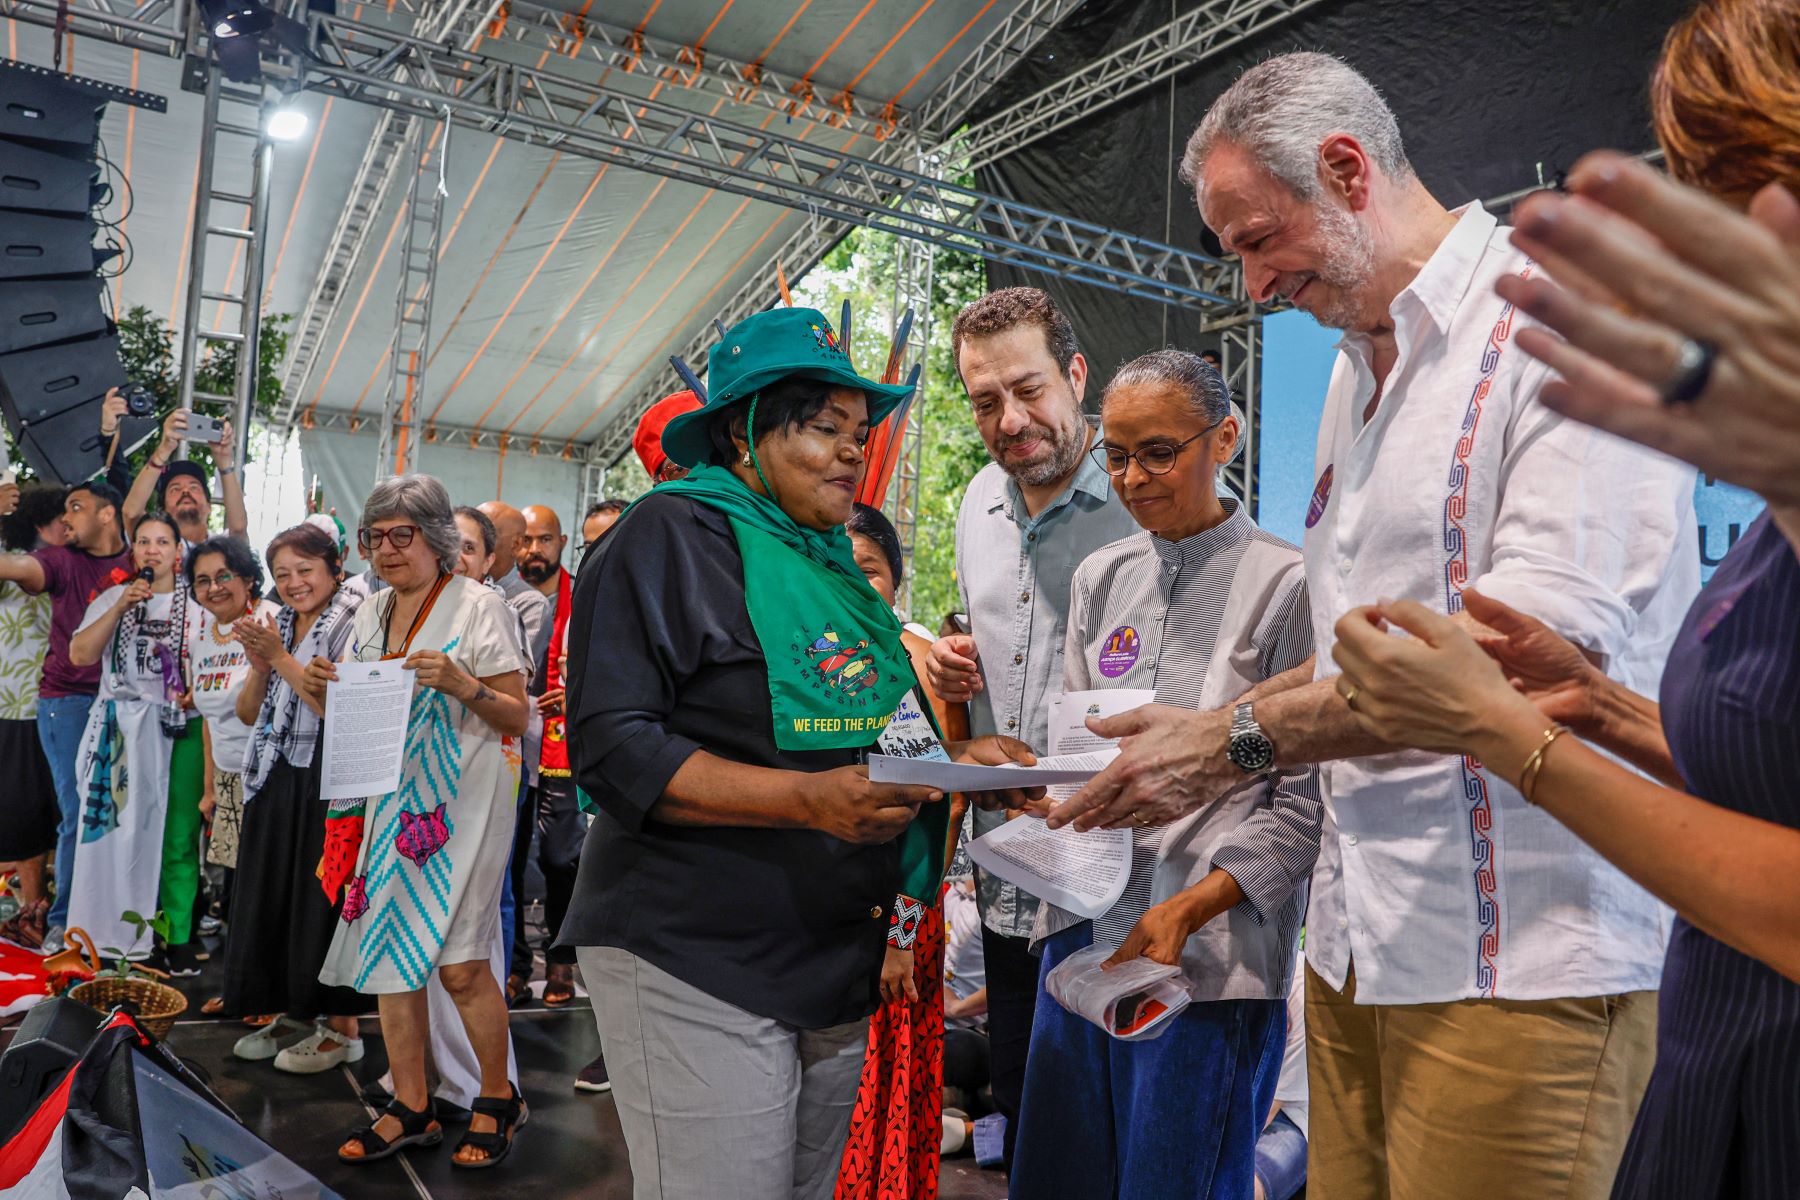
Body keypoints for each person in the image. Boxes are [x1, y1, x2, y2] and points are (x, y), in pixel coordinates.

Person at [1052, 53, 1704, 1197]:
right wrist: (1211, 726)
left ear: (1348, 171)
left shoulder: (1568, 319)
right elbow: (1353, 648)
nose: (1250, 286)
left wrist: (1227, 741)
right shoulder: (1357, 376)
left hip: (1526, 963)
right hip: (1361, 955)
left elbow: (1514, 663)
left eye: (1258, 240)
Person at [1328, 6, 1800, 1195]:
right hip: (1720, 1061)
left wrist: (1510, 735)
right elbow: (1770, 782)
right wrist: (1604, 709)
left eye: (1747, 191)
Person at [561, 306, 1042, 1200]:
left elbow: (890, 733)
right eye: (824, 429)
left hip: (836, 957)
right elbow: (613, 749)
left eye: (860, 434)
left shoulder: (832, 566)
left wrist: (965, 762)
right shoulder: (665, 537)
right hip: (693, 947)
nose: (855, 452)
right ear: (745, 433)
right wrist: (806, 801)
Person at [1008, 350, 1321, 1198]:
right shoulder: (1102, 578)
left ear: (1224, 438)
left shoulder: (1291, 584)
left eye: (1158, 452)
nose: (1132, 477)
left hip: (1204, 957)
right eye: (1115, 454)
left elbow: (1304, 811)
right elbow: (1084, 757)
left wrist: (1188, 908)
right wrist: (1044, 800)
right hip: (1081, 937)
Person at [922, 287, 1138, 1170]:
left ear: (1076, 376)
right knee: (1029, 1117)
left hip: (1117, 875)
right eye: (984, 401)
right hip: (1007, 862)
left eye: (1029, 389)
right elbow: (987, 654)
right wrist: (948, 666)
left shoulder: (1147, 493)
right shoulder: (977, 502)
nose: (1009, 420)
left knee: (1114, 1120)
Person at [318, 475, 531, 1170]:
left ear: (436, 539)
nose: (385, 549)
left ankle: (498, 1097)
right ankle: (413, 1103)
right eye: (374, 537)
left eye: (400, 534)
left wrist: (462, 683)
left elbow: (518, 716)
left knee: (463, 964)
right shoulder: (373, 611)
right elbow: (352, 716)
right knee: (390, 958)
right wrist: (320, 686)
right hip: (390, 793)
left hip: (467, 798)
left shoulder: (480, 606)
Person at [835, 502, 973, 1200]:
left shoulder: (913, 661)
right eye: (834, 565)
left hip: (895, 918)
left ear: (896, 578)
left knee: (878, 1085)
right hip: (827, 912)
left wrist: (900, 935)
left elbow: (937, 809)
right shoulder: (818, 652)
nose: (854, 584)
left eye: (869, 571)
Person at [221, 524, 367, 1068]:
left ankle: (344, 1030)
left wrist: (280, 656)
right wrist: (262, 667)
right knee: (276, 895)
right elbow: (247, 712)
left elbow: (341, 710)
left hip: (328, 776)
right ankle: (296, 1010)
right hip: (275, 769)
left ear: (335, 565)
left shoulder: (358, 614)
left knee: (321, 898)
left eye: (305, 570)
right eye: (282, 574)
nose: (294, 583)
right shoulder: (279, 620)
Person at [65, 512, 207, 971]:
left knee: (177, 835)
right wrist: (120, 607)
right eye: (143, 541)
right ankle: (103, 930)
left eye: (162, 541)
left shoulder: (199, 605)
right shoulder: (113, 597)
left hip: (177, 728)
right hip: (119, 727)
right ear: (134, 550)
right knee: (111, 832)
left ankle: (174, 937)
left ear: (177, 552)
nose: (152, 550)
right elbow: (80, 655)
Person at [0, 481, 133, 955]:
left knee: (121, 814)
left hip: (129, 705)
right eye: (62, 510)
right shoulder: (59, 561)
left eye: (75, 508)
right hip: (67, 702)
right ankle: (64, 923)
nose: (66, 519)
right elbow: (11, 565)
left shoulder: (140, 559)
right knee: (79, 813)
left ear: (107, 514)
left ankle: (114, 918)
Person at [509, 504, 585, 1007]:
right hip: (510, 746)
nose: (534, 550)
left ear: (561, 543)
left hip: (563, 747)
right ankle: (515, 964)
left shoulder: (584, 596)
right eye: (526, 540)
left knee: (561, 859)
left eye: (545, 539)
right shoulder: (501, 597)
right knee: (508, 861)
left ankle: (560, 960)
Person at [183, 537, 279, 919]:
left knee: (264, 887)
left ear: (248, 579)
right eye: (202, 580)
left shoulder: (270, 621)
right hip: (227, 778)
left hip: (268, 777)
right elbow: (209, 720)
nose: (213, 587)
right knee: (235, 891)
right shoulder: (201, 637)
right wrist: (210, 789)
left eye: (223, 576)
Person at [0, 484, 68, 948]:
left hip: (52, 701)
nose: (71, 521)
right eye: (64, 514)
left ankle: (44, 908)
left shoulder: (69, 560)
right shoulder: (13, 555)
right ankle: (32, 907)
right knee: (23, 809)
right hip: (13, 701)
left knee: (48, 810)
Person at [123, 409, 249, 546]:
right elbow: (131, 514)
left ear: (209, 506)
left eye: (194, 487)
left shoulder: (222, 548)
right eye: (174, 489)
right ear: (162, 510)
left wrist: (224, 462)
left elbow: (238, 529)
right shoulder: (153, 546)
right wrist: (163, 450)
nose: (185, 492)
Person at [453, 505, 498, 582]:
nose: (455, 558)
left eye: (468, 547)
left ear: (487, 562)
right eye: (447, 545)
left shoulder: (489, 594)